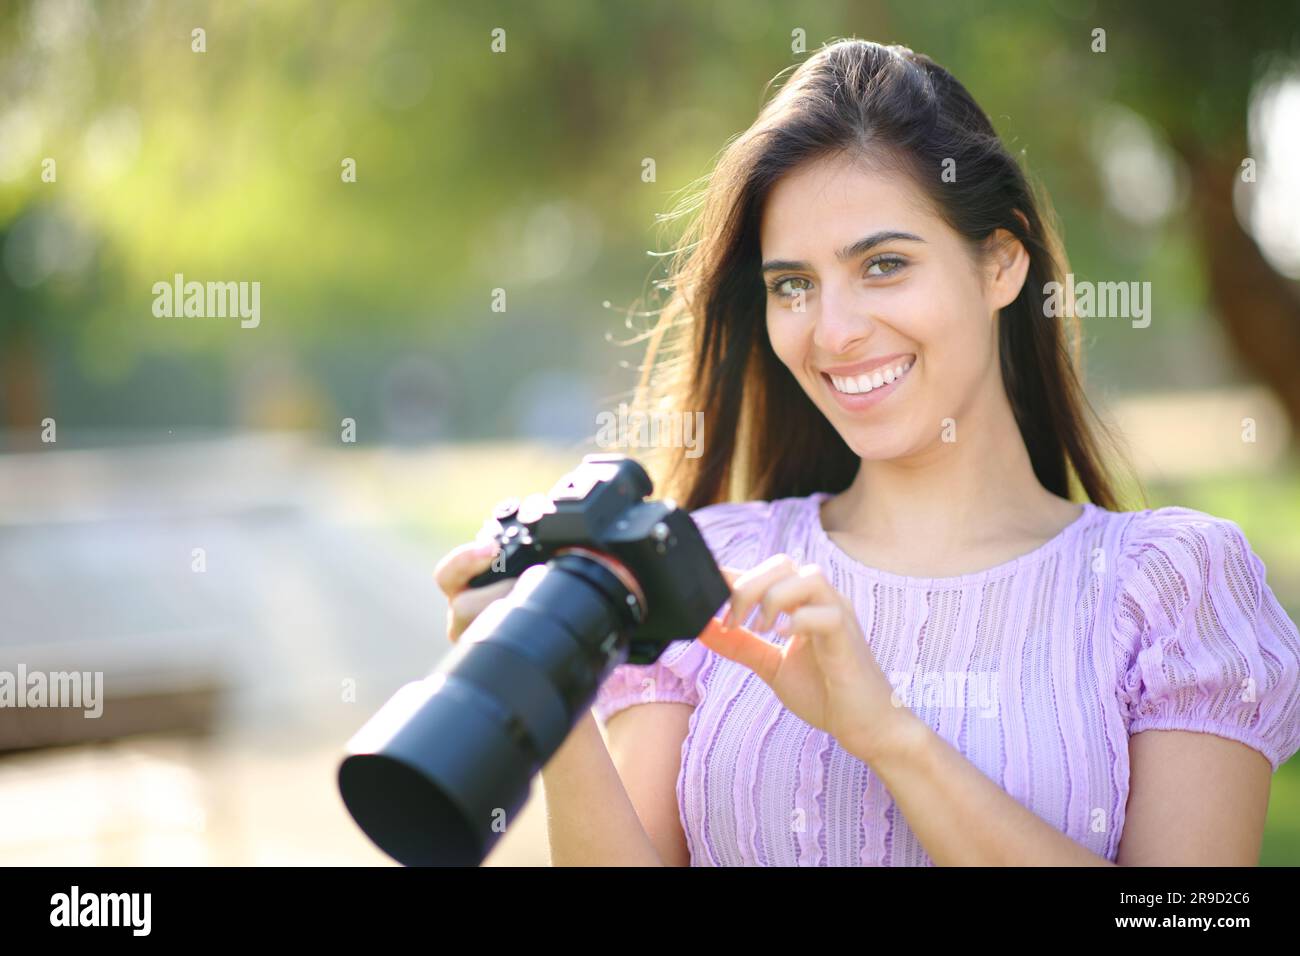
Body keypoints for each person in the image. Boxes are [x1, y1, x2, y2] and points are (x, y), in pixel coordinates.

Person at [435, 38, 1300, 866]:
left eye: (883, 265)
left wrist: (889, 737)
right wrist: (546, 696)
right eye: (793, 286)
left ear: (1000, 265)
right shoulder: (715, 571)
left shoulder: (1174, 588)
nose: (835, 332)